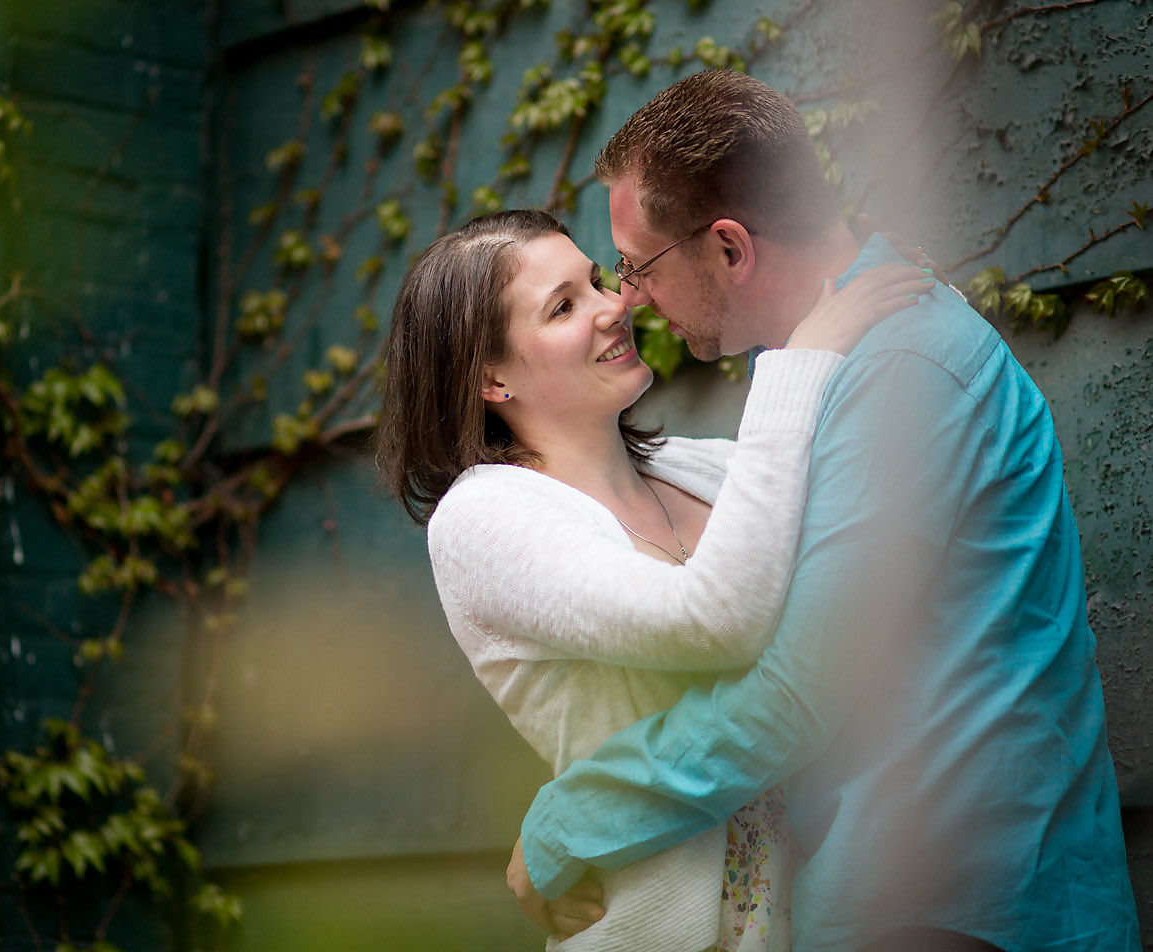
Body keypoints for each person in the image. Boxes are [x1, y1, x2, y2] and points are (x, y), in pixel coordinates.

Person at [506, 70, 1141, 952]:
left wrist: (566, 822)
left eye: (636, 267)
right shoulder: (855, 361)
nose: (631, 298)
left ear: (730, 248)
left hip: (957, 906)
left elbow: (799, 691)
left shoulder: (904, 371)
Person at [376, 207, 928, 951]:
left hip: (827, 908)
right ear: (491, 377)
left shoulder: (698, 468)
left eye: (599, 281)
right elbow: (715, 619)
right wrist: (799, 361)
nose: (616, 307)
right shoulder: (482, 519)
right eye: (564, 306)